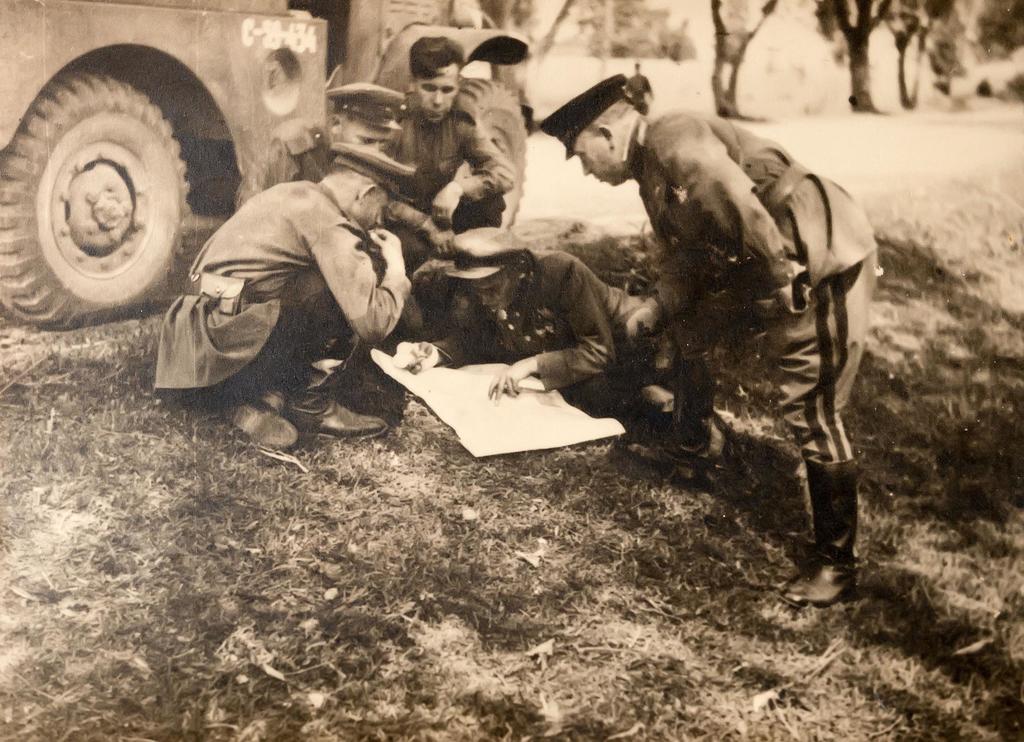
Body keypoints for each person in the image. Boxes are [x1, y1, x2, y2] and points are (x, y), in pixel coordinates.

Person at [539, 75, 878, 608]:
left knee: (811, 401)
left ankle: (837, 565)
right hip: (776, 253)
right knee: (684, 333)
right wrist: (659, 306)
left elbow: (737, 203)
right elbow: (687, 252)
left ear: (606, 133)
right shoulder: (652, 165)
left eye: (583, 156)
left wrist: (782, 277)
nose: (585, 169)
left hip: (813, 251)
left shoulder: (673, 137)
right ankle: (693, 450)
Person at [155, 145, 415, 450]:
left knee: (305, 282)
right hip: (222, 349)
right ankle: (311, 407)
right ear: (365, 193)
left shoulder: (290, 193)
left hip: (186, 348)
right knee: (333, 293)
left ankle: (256, 398)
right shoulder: (329, 222)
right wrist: (396, 270)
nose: (378, 223)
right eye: (380, 211)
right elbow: (373, 323)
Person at [396, 228, 665, 421]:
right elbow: (481, 340)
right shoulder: (490, 286)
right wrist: (436, 353)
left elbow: (598, 351)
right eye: (477, 290)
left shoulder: (562, 272)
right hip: (569, 361)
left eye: (490, 289)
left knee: (594, 397)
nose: (484, 299)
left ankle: (649, 392)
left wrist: (529, 364)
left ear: (520, 269)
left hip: (625, 347)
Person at [384, 36, 516, 271]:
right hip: (402, 218)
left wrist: (458, 188)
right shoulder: (393, 121)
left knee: (491, 204)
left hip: (442, 212)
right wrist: (427, 226)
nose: (437, 100)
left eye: (447, 90)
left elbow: (505, 173)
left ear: (459, 84)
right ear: (413, 83)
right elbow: (373, 193)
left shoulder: (461, 120)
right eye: (429, 88)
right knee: (407, 252)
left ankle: (477, 282)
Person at [235, 79, 405, 206]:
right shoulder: (293, 145)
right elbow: (253, 210)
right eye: (366, 141)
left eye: (381, 143)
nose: (375, 151)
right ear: (336, 124)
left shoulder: (377, 157)